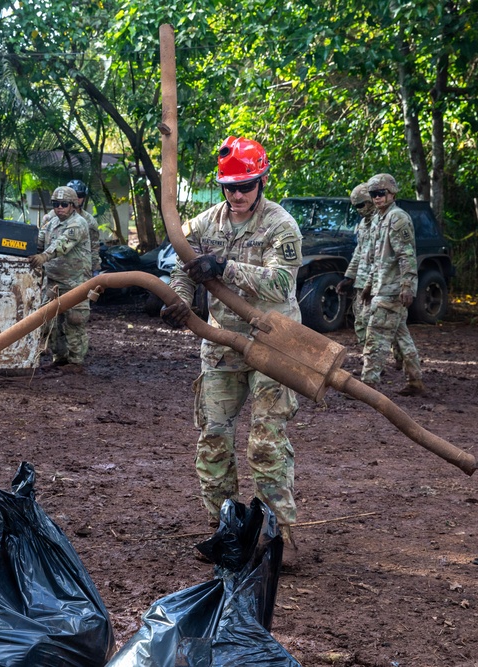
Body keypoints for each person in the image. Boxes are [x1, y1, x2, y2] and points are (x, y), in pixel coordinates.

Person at [160, 136, 303, 549]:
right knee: (213, 439)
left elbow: (280, 283)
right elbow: (184, 270)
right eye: (229, 187)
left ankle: (277, 539)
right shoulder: (205, 223)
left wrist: (224, 266)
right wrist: (180, 303)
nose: (237, 194)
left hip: (273, 342)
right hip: (222, 345)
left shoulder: (281, 225)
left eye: (246, 185)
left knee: (266, 441)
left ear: (262, 181)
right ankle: (227, 532)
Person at [359, 173, 425, 396]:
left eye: (381, 193)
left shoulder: (398, 218)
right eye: (373, 194)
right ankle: (415, 381)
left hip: (392, 290)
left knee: (374, 336)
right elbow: (378, 258)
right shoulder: (380, 218)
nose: (377, 198)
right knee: (401, 336)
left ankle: (368, 386)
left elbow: (406, 255)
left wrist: (407, 285)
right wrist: (369, 284)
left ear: (392, 193)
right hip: (382, 286)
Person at [28, 186, 92, 373]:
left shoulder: (78, 223)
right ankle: (60, 358)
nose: (59, 208)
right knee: (51, 322)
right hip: (53, 280)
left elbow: (62, 244)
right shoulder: (51, 223)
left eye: (64, 204)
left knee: (75, 320)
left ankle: (76, 361)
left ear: (73, 205)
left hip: (76, 282)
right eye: (56, 204)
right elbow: (38, 241)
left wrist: (43, 257)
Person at [336, 183, 378, 347]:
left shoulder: (382, 222)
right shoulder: (362, 225)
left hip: (378, 283)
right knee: (360, 320)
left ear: (370, 201)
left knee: (381, 325)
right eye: (356, 207)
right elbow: (359, 252)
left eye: (361, 205)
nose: (359, 210)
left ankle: (393, 358)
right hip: (361, 281)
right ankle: (368, 358)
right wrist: (348, 277)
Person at [67, 179, 102, 275]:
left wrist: (96, 270)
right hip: (56, 273)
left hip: (81, 273)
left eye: (80, 195)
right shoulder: (54, 217)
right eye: (74, 195)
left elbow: (94, 248)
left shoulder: (89, 221)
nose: (77, 198)